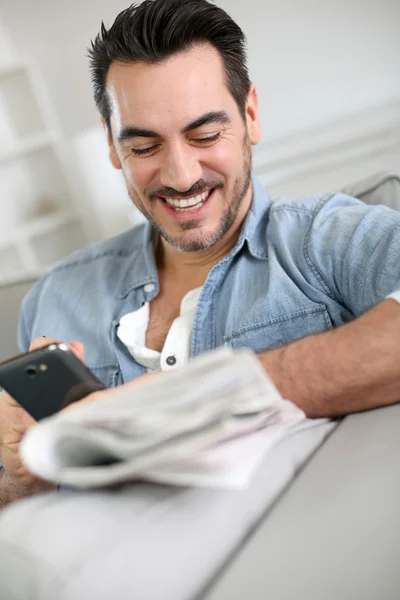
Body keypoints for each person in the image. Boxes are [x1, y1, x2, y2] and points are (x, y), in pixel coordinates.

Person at [1, 0, 400, 508]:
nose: (181, 175)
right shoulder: (53, 299)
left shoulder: (325, 238)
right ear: (110, 144)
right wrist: (23, 480)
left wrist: (200, 399)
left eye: (205, 135)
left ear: (250, 115)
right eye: (144, 147)